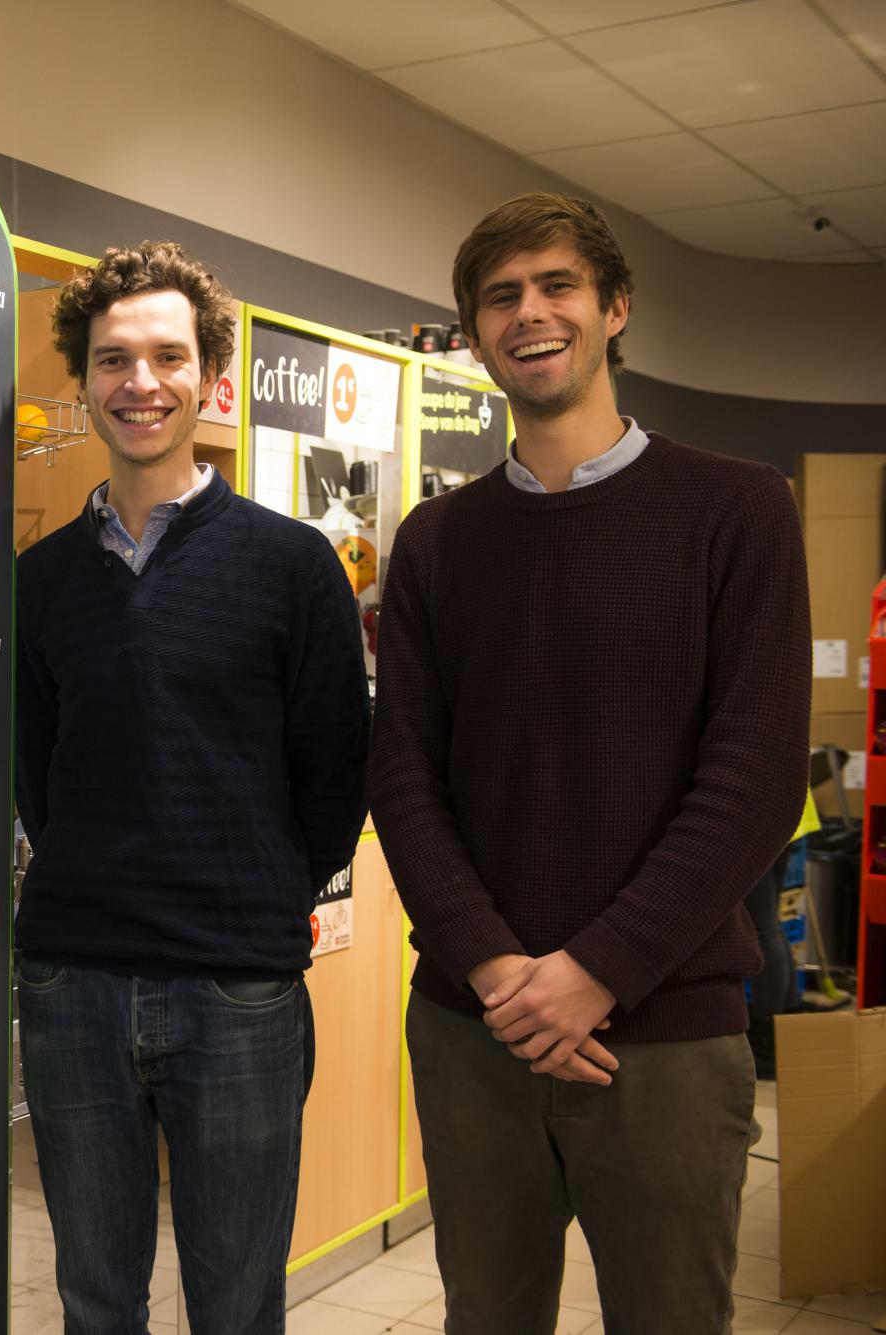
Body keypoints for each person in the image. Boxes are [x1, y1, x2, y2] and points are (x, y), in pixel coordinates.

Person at [368, 193, 810, 1334]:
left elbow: (754, 778)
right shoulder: (434, 544)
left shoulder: (737, 510)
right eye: (499, 297)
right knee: (486, 1318)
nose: (531, 313)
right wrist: (494, 971)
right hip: (474, 1033)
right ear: (472, 336)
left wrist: (593, 972)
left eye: (556, 285)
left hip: (661, 1033)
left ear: (613, 309)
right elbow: (405, 778)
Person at [14, 241, 370, 1334]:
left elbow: (332, 775)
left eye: (167, 356)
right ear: (80, 380)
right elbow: (39, 774)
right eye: (113, 359)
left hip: (237, 992)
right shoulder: (39, 579)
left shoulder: (290, 565)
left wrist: (255, 895)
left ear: (210, 378)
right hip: (72, 982)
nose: (139, 382)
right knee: (92, 1297)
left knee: (234, 1303)